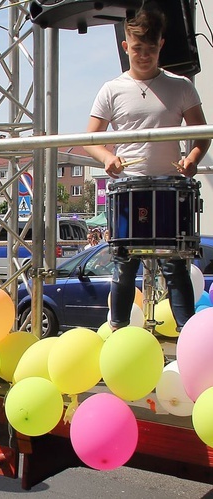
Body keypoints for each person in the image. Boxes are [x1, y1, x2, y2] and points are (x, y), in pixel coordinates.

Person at [84, 8, 210, 331]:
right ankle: (118, 332)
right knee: (124, 264)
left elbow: (202, 132)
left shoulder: (181, 87)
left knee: (175, 264)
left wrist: (193, 158)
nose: (143, 56)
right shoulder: (111, 89)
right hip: (129, 188)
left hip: (169, 187)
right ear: (126, 47)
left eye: (150, 50)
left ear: (161, 46)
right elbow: (90, 139)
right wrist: (106, 158)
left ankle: (187, 337)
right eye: (137, 49)